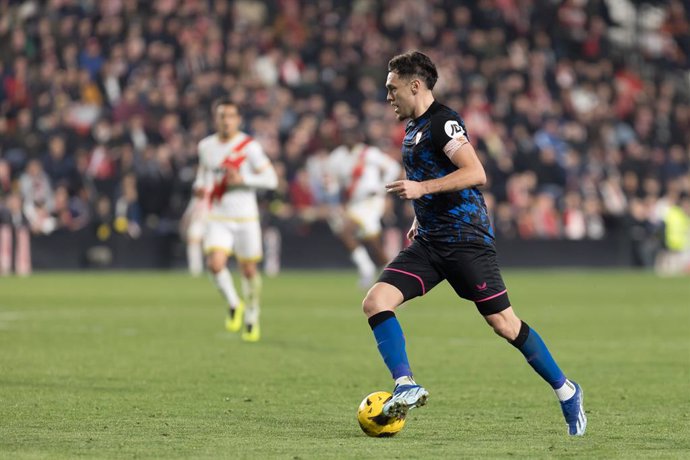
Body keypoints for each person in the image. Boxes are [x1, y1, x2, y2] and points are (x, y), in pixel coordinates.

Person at [363, 51, 586, 436]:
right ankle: (404, 384)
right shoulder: (413, 129)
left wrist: (421, 189)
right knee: (376, 302)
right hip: (431, 242)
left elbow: (475, 172)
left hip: (466, 240)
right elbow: (435, 174)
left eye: (392, 88)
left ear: (415, 85)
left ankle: (567, 391)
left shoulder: (443, 122)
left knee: (504, 324)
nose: (388, 97)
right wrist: (420, 215)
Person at [193, 98, 278, 342]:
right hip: (218, 215)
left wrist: (244, 180)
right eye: (221, 115)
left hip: (246, 218)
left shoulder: (249, 147)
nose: (226, 120)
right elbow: (203, 176)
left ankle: (252, 314)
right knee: (215, 264)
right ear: (215, 119)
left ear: (238, 119)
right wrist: (199, 187)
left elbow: (271, 180)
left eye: (230, 116)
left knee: (248, 270)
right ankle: (234, 303)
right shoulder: (206, 146)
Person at [327, 127, 401, 288]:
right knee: (365, 240)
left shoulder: (369, 153)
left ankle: (375, 272)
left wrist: (383, 188)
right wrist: (333, 194)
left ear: (358, 137)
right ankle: (380, 273)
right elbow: (333, 182)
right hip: (354, 203)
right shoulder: (337, 157)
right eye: (345, 134)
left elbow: (393, 168)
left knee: (352, 232)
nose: (348, 138)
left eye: (351, 135)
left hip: (372, 201)